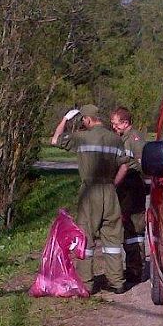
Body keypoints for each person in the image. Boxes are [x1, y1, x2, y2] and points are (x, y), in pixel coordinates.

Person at [51, 104, 129, 294]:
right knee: (112, 239)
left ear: (87, 119)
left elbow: (55, 140)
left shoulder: (81, 137)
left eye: (83, 120)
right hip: (109, 190)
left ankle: (86, 283)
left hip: (90, 190)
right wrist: (113, 185)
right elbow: (125, 166)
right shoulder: (115, 139)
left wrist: (65, 120)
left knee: (85, 238)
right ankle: (117, 282)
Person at [109, 106, 148, 284]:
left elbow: (144, 165)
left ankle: (135, 268)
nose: (113, 127)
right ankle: (132, 265)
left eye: (115, 124)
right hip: (125, 188)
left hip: (133, 186)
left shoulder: (135, 140)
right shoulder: (121, 139)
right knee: (126, 226)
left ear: (125, 123)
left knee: (134, 228)